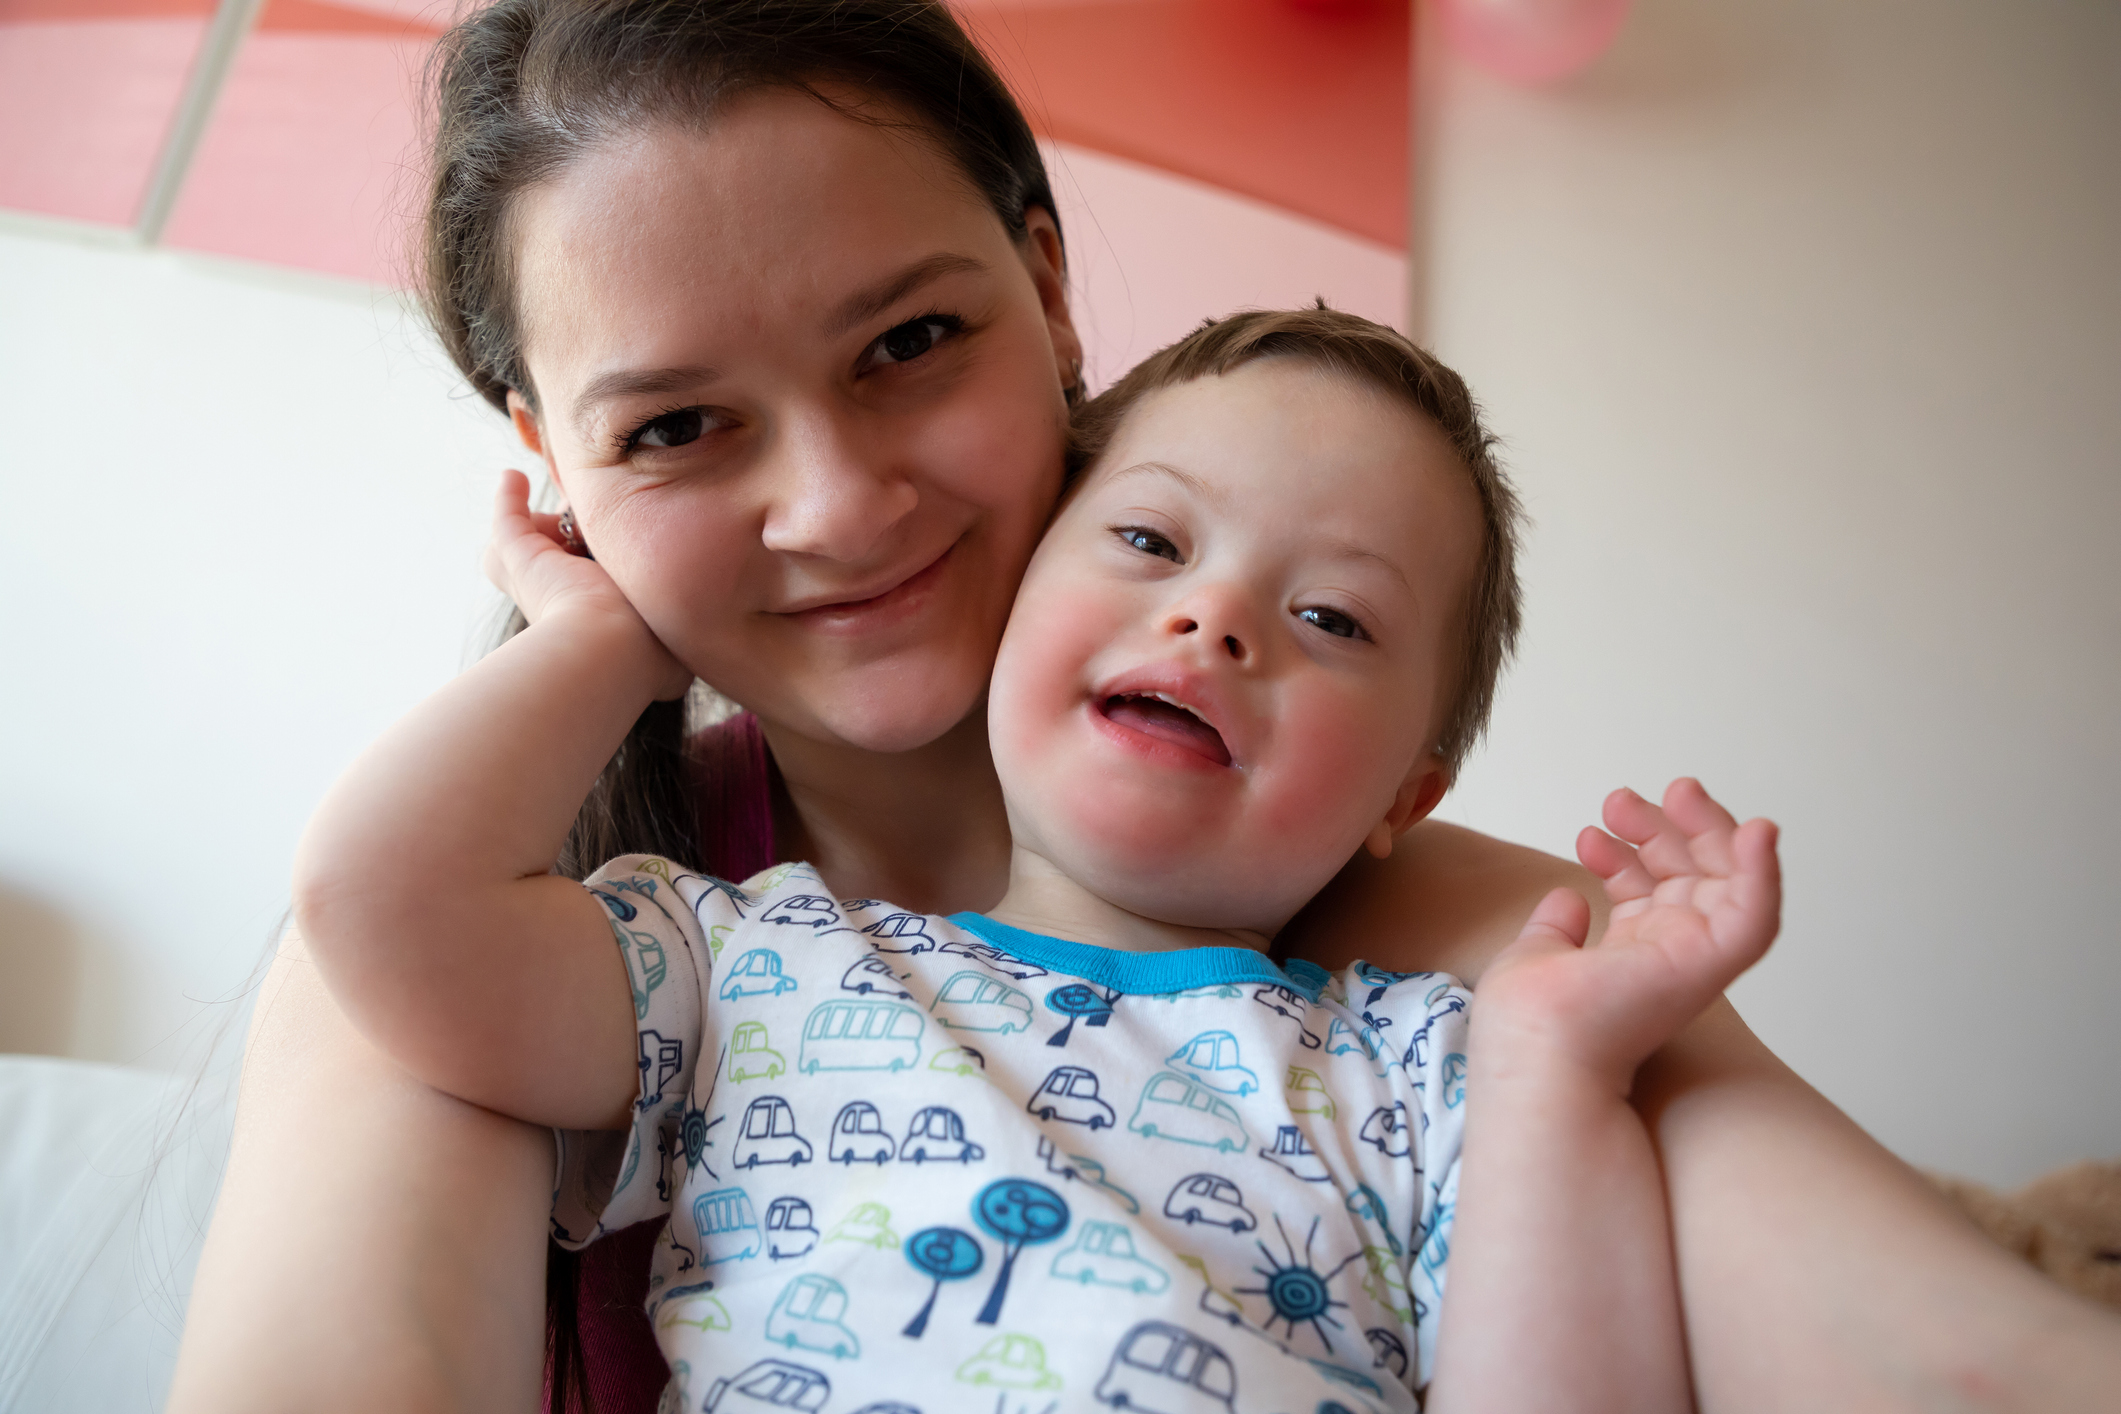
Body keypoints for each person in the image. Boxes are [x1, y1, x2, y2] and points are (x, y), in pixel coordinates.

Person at [165, 2, 2121, 1411]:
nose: (838, 503)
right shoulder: (605, 938)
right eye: (670, 428)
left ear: (1047, 284)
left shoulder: (1477, 972)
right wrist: (595, 625)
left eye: (909, 339)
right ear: (543, 462)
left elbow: (1948, 1354)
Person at [288, 304, 1778, 1413]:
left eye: (1331, 617)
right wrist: (611, 646)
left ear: (1409, 793)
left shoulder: (1432, 1073)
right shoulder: (752, 964)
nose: (1215, 619)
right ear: (1012, 605)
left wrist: (1561, 1070)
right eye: (1146, 539)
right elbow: (394, 910)